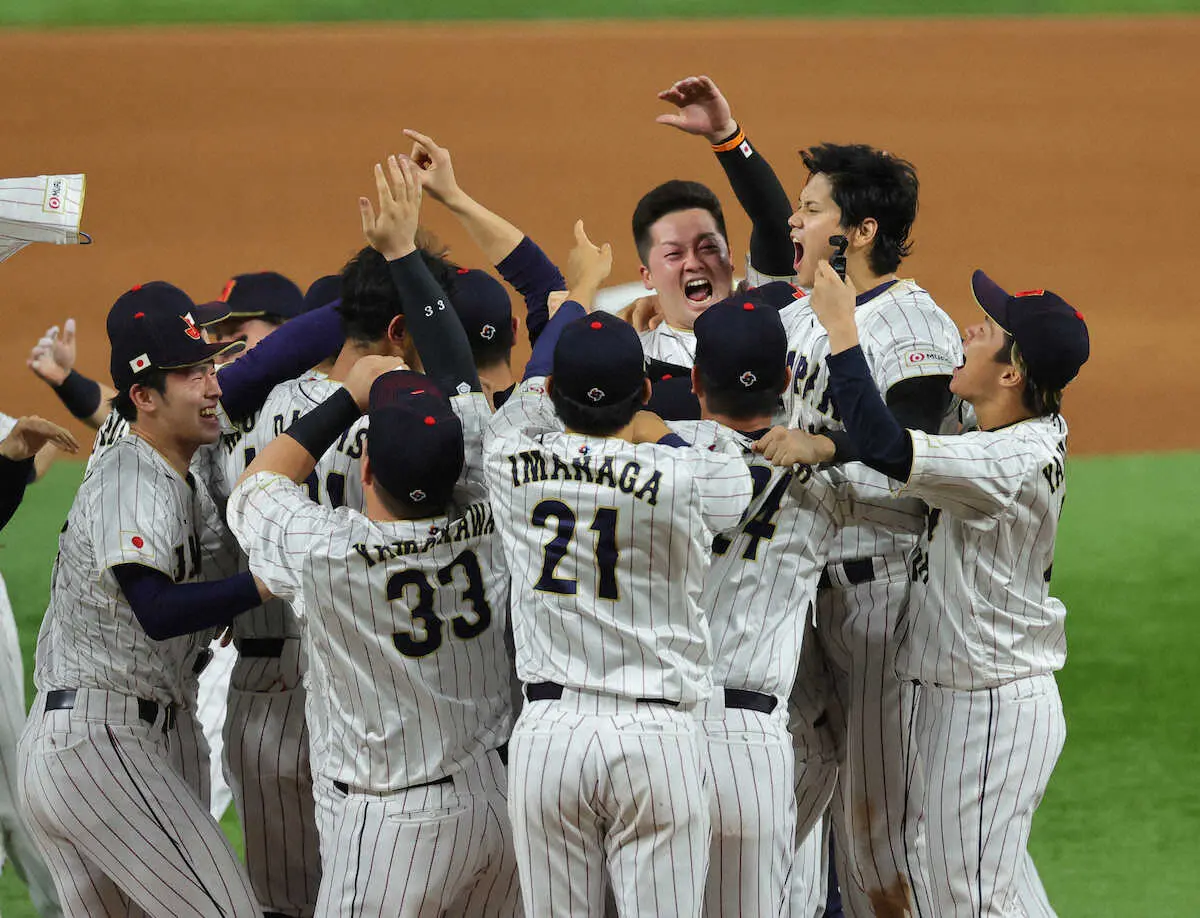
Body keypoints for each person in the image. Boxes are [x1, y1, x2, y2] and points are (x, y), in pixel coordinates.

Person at [228, 153, 519, 917]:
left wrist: (343, 398)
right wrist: (404, 255)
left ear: (367, 476)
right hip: (490, 792)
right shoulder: (488, 510)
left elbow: (256, 489)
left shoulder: (327, 547)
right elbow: (462, 391)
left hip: (374, 794)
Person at [756, 262, 1088, 918]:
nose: (970, 327)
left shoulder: (1004, 461)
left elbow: (884, 442)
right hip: (963, 697)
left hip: (991, 705)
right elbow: (893, 451)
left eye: (989, 329)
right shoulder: (1004, 430)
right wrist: (826, 451)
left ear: (1012, 373)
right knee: (964, 889)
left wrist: (844, 331)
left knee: (970, 900)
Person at [484, 218, 753, 918]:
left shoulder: (508, 459)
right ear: (640, 391)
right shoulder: (686, 476)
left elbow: (530, 391)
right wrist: (652, 427)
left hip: (548, 738)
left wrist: (577, 294)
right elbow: (734, 491)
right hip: (655, 738)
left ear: (559, 397)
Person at [17, 283, 269, 917]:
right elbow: (156, 611)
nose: (213, 385)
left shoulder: (166, 455)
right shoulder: (131, 478)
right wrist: (266, 583)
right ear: (144, 397)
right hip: (100, 744)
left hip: (123, 735)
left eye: (210, 365)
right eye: (192, 373)